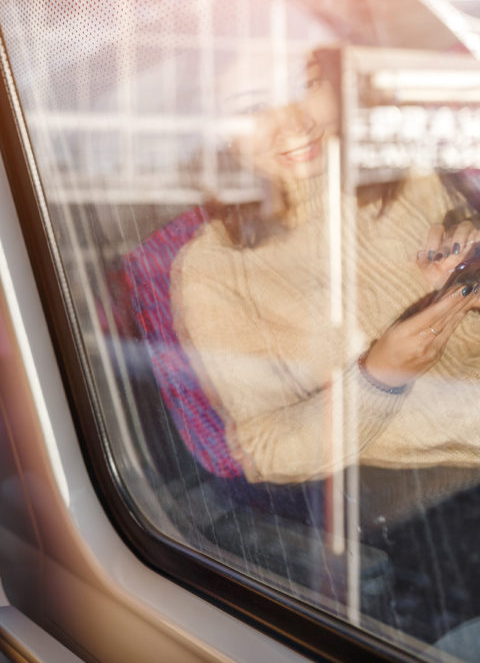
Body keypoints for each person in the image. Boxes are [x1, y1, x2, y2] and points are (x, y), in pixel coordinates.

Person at [171, 49, 480, 485]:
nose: (296, 122)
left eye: (307, 85)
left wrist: (466, 271)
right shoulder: (213, 269)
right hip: (435, 505)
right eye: (254, 107)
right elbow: (265, 451)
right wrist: (380, 378)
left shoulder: (400, 168)